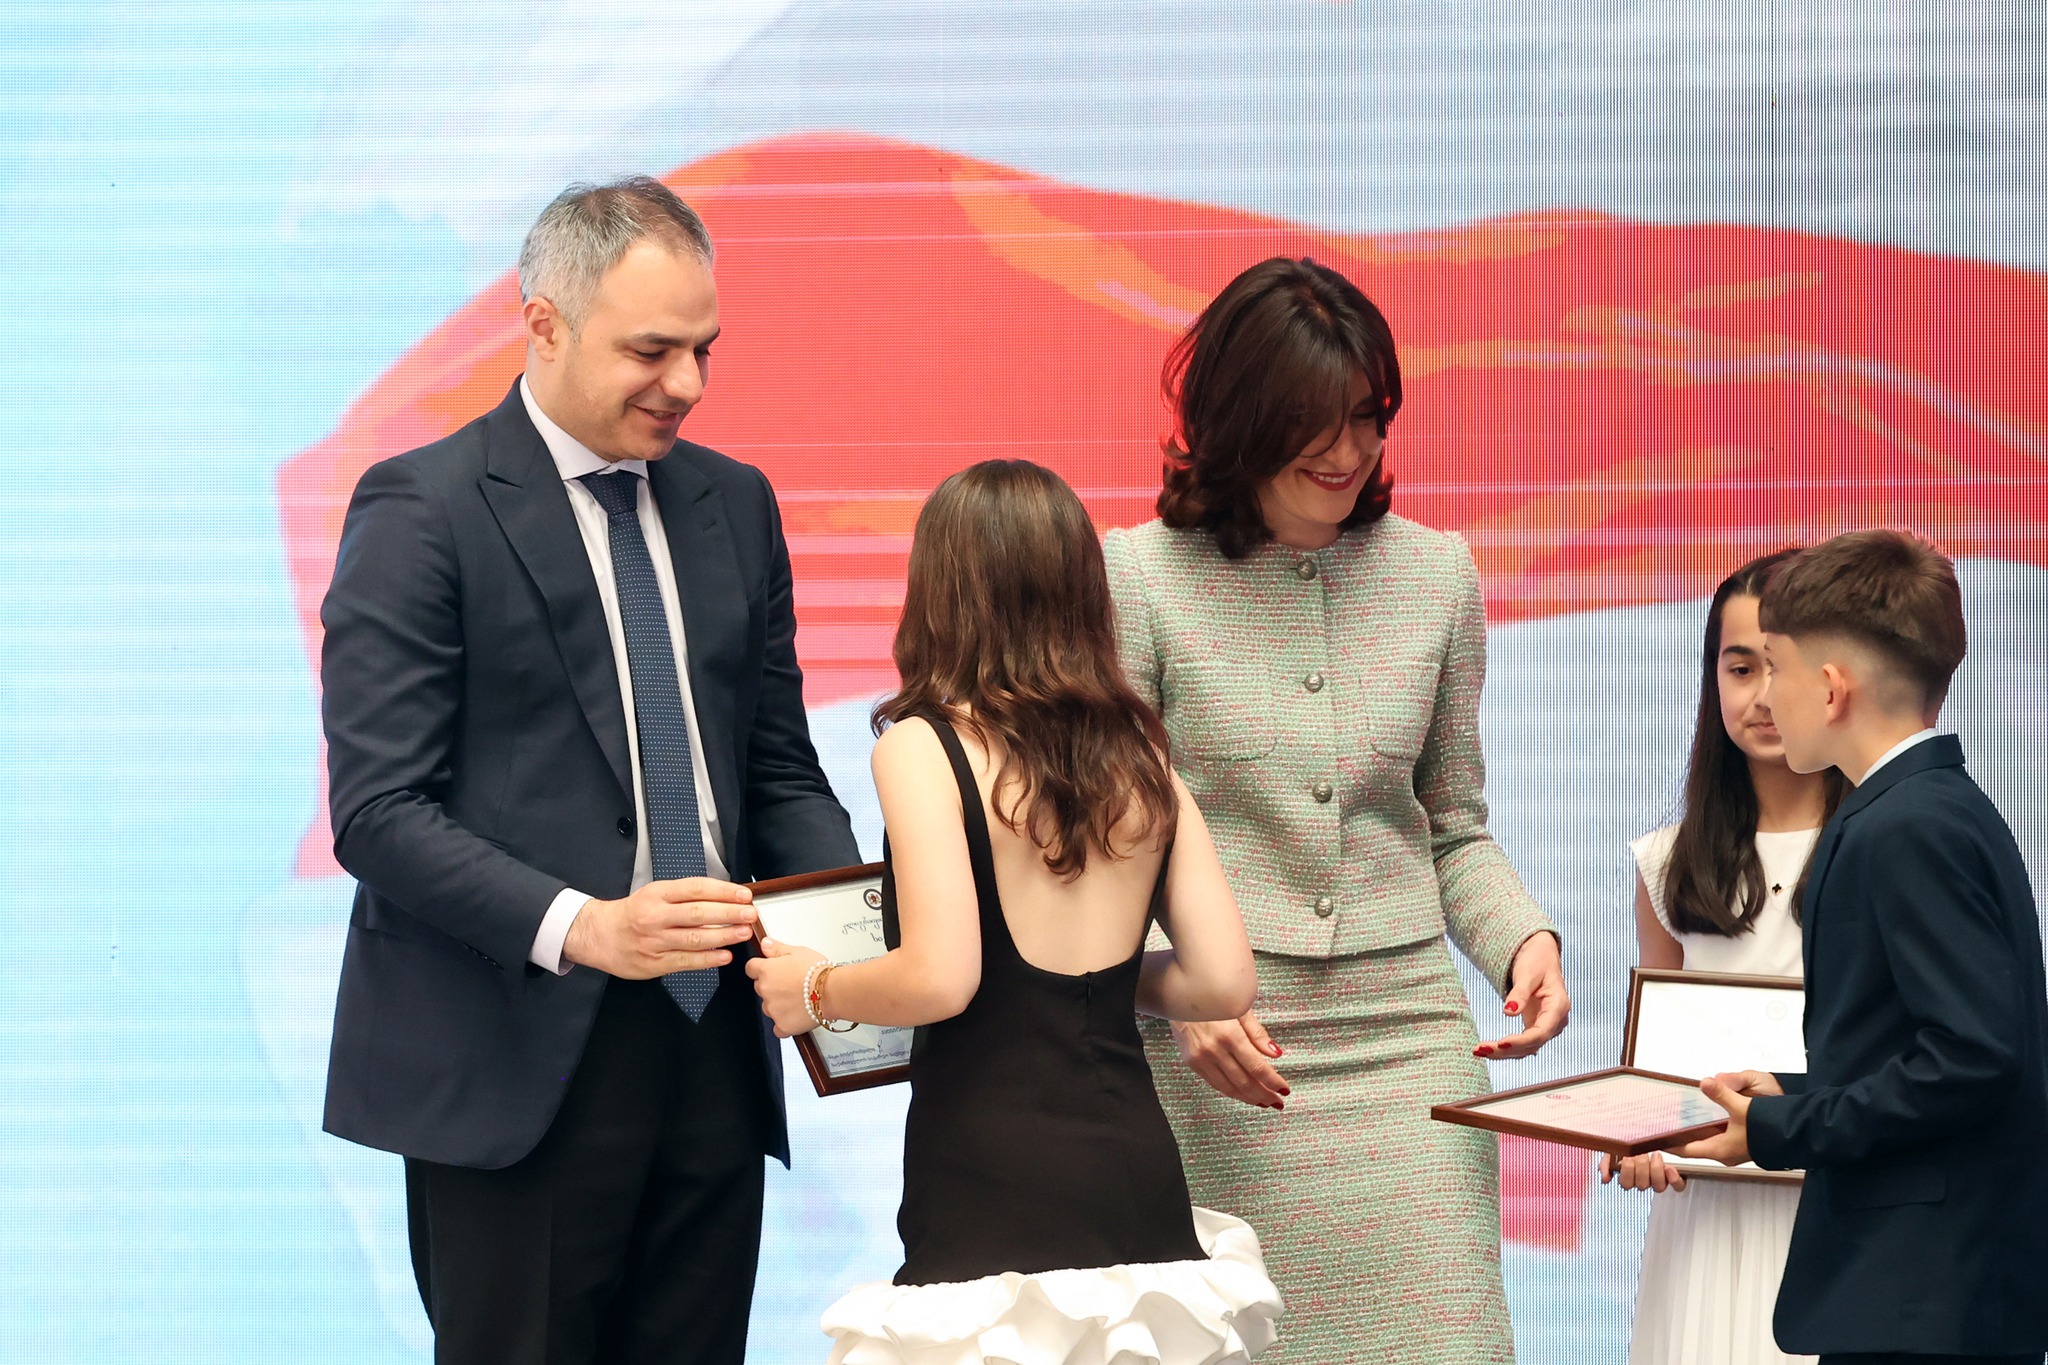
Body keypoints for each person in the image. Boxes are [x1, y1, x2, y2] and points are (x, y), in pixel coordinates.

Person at [319, 176, 859, 1365]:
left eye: (704, 350)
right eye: (652, 350)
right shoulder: (422, 507)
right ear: (544, 323)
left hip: (713, 1049)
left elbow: (777, 769)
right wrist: (587, 926)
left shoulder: (735, 503)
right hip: (513, 1058)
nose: (688, 384)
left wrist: (845, 951)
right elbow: (378, 809)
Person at [1101, 256, 1569, 1365]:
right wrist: (1175, 990)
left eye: (1367, 416)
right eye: (1315, 420)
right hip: (1223, 1060)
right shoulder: (1134, 578)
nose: (1348, 450)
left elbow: (1452, 822)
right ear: (1238, 416)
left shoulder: (1438, 576)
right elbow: (1109, 850)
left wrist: (1524, 939)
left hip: (1409, 1044)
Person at [748, 459, 1284, 1365]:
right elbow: (1223, 981)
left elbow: (941, 978)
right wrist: (1092, 981)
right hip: (1135, 1169)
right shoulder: (1140, 751)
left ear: (940, 588)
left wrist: (814, 987)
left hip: (987, 1175)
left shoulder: (924, 746)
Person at [1674, 529, 2048, 1365]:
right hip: (1925, 1296)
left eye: (1776, 667)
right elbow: (1931, 1045)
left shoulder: (1907, 825)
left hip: (1922, 1298)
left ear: (1831, 686)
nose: (1766, 697)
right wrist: (1793, 1089)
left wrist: (1783, 1124)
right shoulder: (1929, 807)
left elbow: (1974, 1058)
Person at [1599, 549, 1844, 1365]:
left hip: (1840, 1203)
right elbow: (1657, 1063)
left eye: (1782, 666)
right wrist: (1639, 1136)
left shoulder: (1883, 844)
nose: (1763, 695)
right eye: (1740, 667)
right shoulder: (1666, 863)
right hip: (1705, 1215)